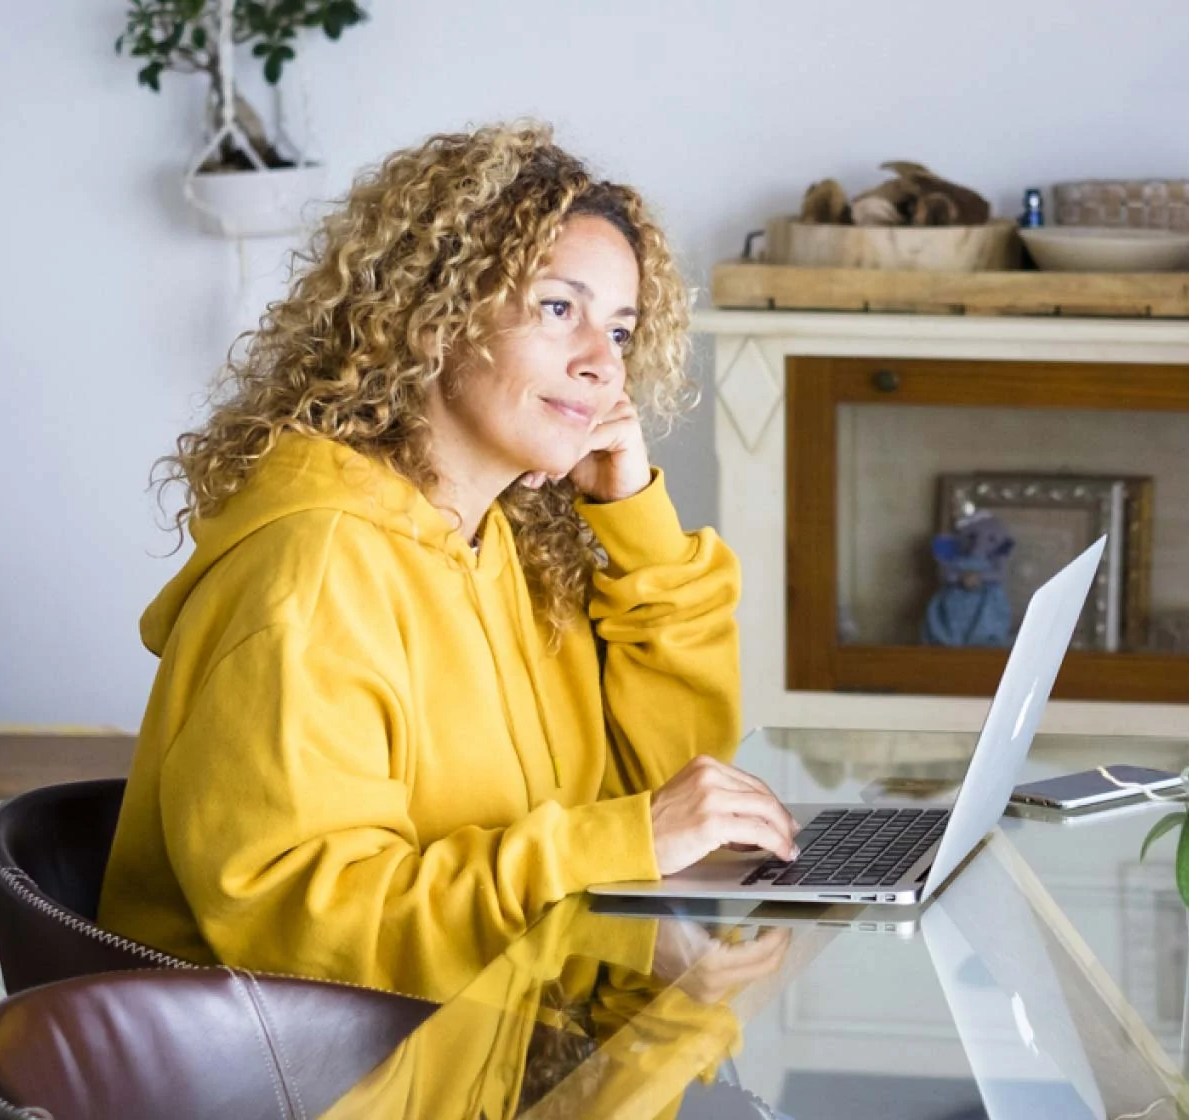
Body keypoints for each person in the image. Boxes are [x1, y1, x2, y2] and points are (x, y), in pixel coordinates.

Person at [99, 122, 800, 1001]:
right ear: (435, 313)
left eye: (621, 332)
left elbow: (665, 798)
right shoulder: (316, 573)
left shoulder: (505, 543)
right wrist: (623, 842)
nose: (601, 366)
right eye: (559, 309)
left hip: (503, 1041)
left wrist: (636, 525)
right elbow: (310, 931)